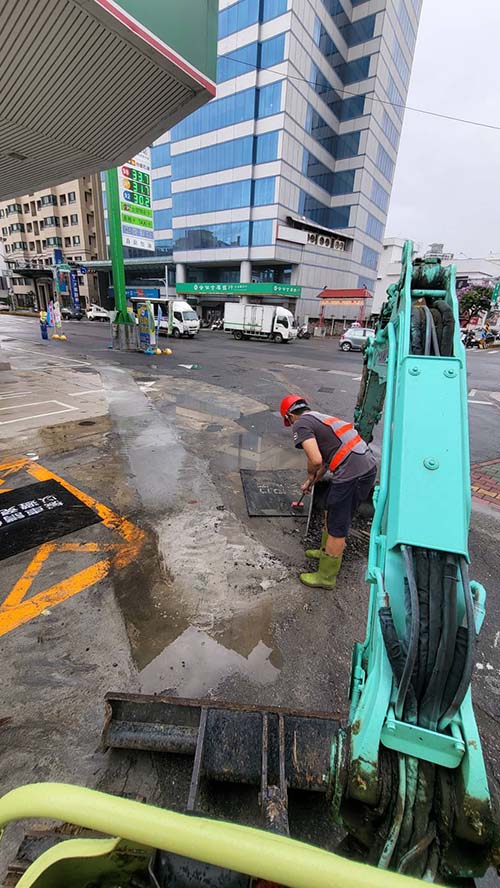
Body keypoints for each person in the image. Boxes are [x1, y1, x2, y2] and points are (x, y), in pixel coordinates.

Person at [280, 395, 377, 591]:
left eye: (288, 420)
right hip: (360, 469)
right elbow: (325, 461)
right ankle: (325, 551)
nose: (290, 424)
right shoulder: (318, 418)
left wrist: (309, 472)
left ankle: (326, 577)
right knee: (329, 510)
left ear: (290, 415)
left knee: (337, 525)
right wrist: (311, 481)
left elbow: (315, 460)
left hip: (353, 474)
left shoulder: (301, 425)